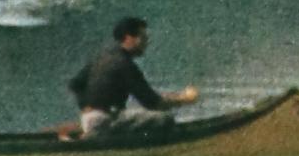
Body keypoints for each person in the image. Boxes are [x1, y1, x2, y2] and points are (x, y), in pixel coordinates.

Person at [65, 16, 199, 138]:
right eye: (143, 38)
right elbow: (152, 102)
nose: (146, 43)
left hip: (88, 119)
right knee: (165, 119)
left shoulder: (102, 56)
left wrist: (86, 107)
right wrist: (185, 99)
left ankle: (93, 132)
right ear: (129, 38)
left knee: (136, 116)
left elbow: (75, 84)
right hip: (104, 121)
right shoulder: (124, 64)